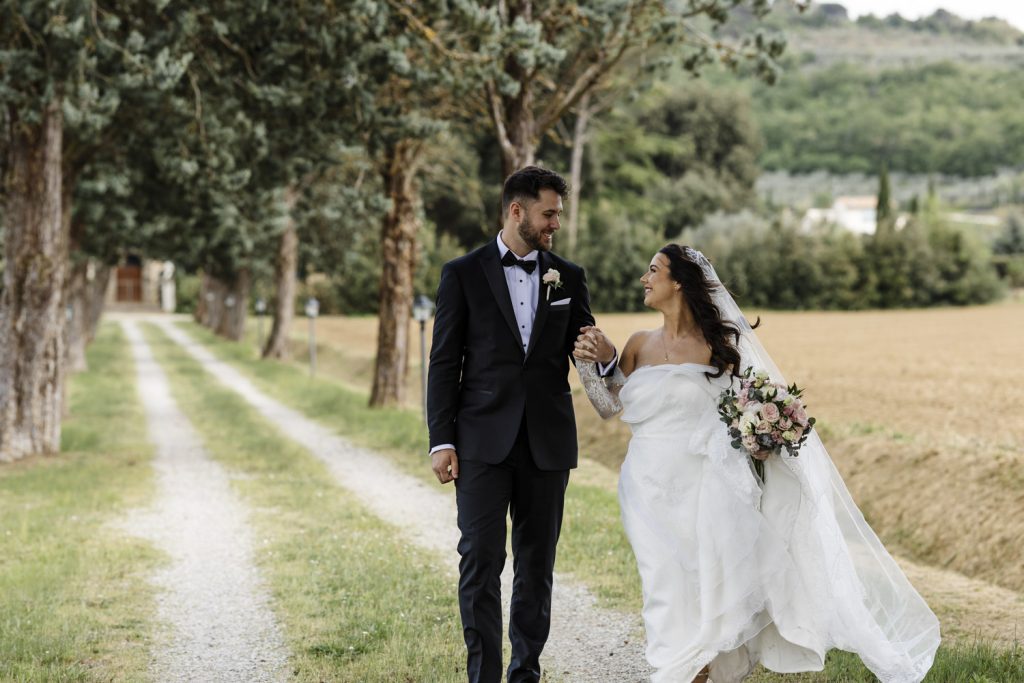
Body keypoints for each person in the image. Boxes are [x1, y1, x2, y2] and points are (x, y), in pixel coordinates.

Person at [573, 244, 940, 683]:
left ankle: (694, 673)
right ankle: (676, 664)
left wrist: (765, 434)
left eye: (653, 271)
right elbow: (607, 406)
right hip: (647, 486)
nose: (643, 279)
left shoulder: (719, 346)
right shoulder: (636, 345)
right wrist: (590, 365)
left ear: (679, 283)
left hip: (706, 483)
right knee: (663, 584)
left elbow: (752, 403)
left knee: (709, 584)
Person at [426, 166, 616, 683]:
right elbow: (445, 362)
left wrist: (608, 359)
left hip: (547, 444)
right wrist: (441, 440)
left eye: (558, 213)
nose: (555, 223)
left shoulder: (568, 277)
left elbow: (587, 357)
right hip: (481, 441)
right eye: (548, 212)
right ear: (517, 210)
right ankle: (485, 675)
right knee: (481, 561)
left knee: (537, 567)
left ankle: (525, 671)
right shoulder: (462, 272)